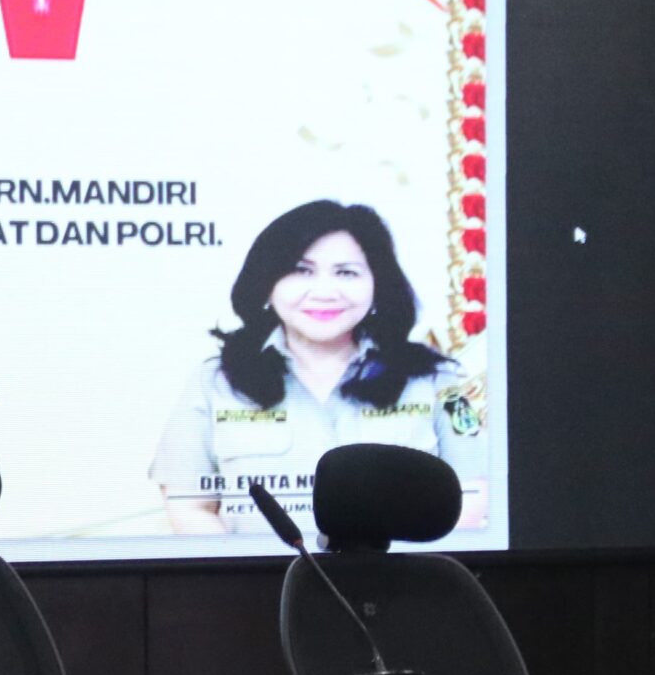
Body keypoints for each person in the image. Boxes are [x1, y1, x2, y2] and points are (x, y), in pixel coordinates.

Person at [152, 199, 487, 536]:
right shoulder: (215, 382)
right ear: (267, 283)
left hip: (404, 570)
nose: (325, 292)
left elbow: (472, 494)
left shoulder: (437, 378)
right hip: (264, 571)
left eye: (346, 272)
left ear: (377, 283)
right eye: (301, 270)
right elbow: (189, 507)